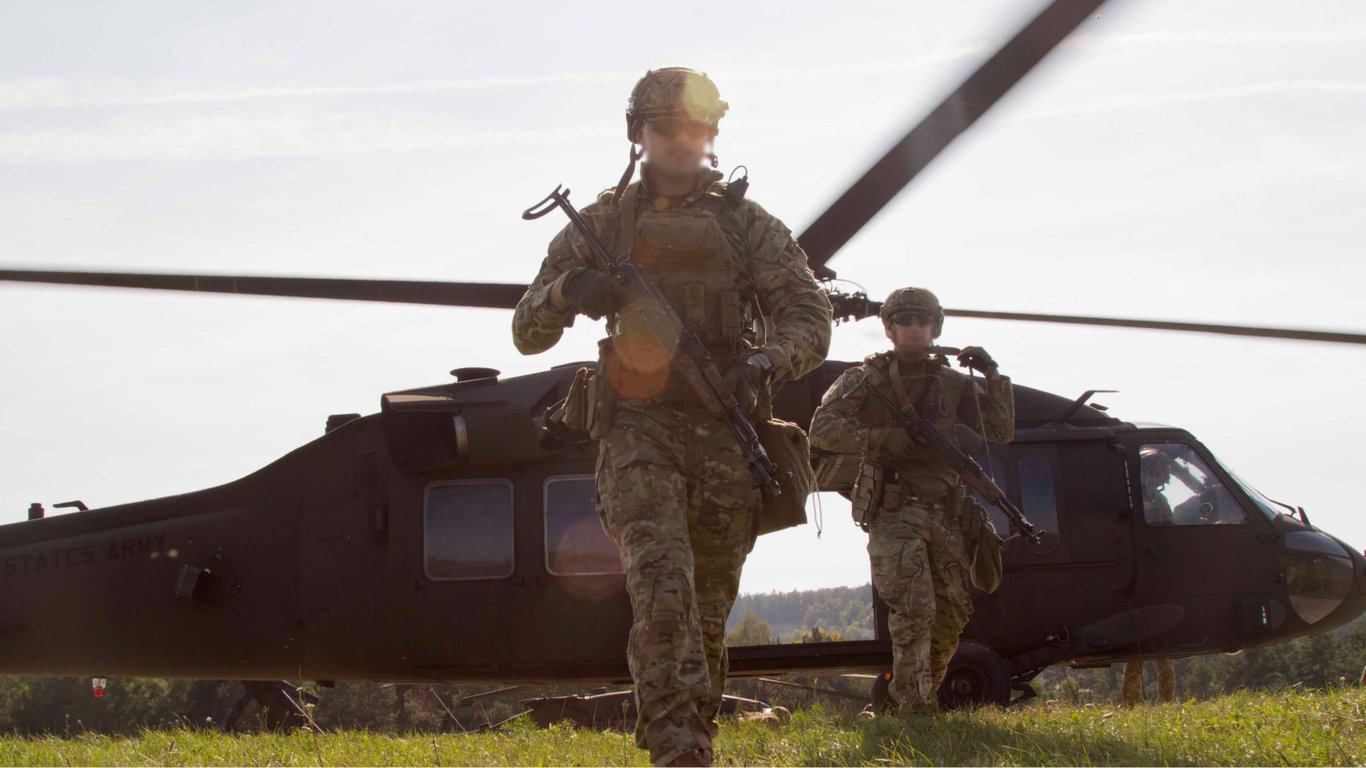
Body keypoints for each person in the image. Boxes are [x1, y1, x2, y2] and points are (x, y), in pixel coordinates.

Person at [511, 67, 832, 766]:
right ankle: (676, 751)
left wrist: (764, 362)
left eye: (695, 127)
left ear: (711, 133)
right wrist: (568, 290)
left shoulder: (747, 224)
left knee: (707, 610)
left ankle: (694, 738)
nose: (682, 141)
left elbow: (811, 315)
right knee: (663, 588)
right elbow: (526, 331)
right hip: (638, 428)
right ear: (638, 134)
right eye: (666, 128)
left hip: (727, 431)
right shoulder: (602, 223)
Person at [808, 287, 1013, 715]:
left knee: (952, 611)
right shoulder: (866, 380)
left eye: (923, 321)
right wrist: (882, 438)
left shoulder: (953, 383)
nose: (915, 328)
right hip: (895, 512)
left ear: (935, 327)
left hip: (946, 514)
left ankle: (917, 698)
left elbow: (999, 431)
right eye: (905, 320)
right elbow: (823, 429)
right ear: (889, 328)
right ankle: (914, 709)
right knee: (914, 610)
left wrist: (992, 375)